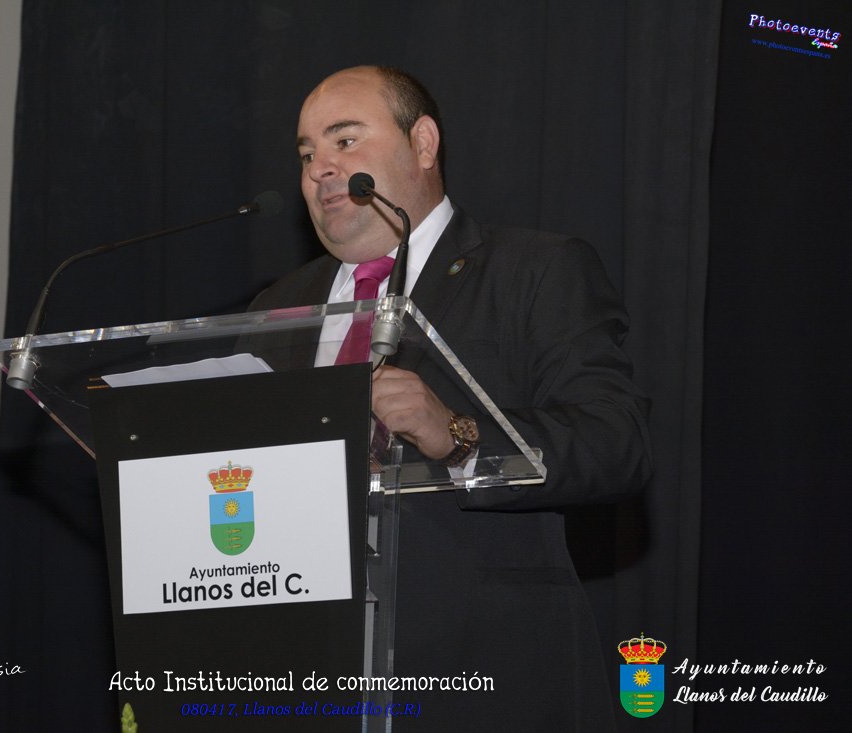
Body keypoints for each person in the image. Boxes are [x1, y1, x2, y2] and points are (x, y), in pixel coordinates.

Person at [248, 65, 652, 729]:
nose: (320, 168)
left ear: (424, 143)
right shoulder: (276, 309)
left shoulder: (532, 271)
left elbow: (616, 443)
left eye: (344, 141)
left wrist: (460, 434)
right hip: (308, 675)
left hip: (485, 679)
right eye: (306, 154)